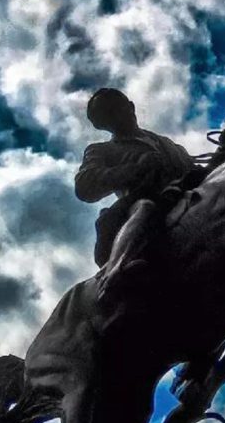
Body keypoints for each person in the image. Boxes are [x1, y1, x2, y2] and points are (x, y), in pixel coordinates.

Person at [75, 88, 195, 296]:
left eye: (118, 107)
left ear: (130, 106)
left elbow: (198, 172)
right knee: (145, 208)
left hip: (185, 199)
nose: (117, 115)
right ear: (101, 124)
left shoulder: (168, 144)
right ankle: (115, 273)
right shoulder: (101, 150)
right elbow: (85, 186)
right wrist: (136, 169)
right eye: (108, 113)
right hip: (141, 204)